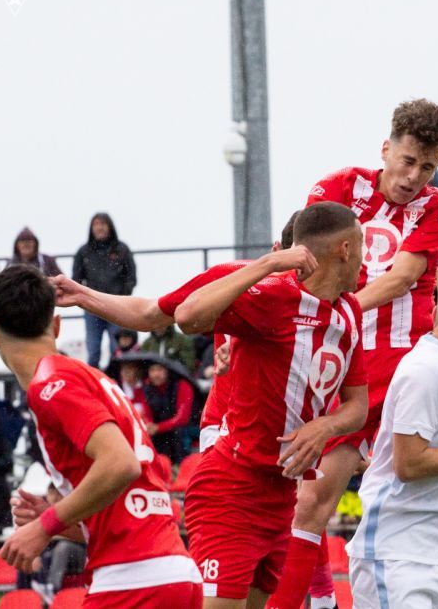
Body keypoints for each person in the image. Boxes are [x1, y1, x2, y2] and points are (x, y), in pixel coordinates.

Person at [53, 203, 365, 609]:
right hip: (232, 483)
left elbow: (356, 406)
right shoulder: (257, 288)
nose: (367, 258)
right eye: (362, 245)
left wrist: (323, 428)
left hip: (281, 491)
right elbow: (173, 315)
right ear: (343, 249)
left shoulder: (349, 311)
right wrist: (83, 295)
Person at [274, 99, 438, 607]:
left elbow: (403, 276)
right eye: (406, 161)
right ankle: (320, 600)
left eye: (427, 166)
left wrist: (343, 308)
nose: (413, 176)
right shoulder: (336, 188)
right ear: (386, 149)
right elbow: (291, 259)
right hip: (341, 371)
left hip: (406, 373)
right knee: (309, 502)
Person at [0, 266, 202, 607]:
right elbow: (125, 507)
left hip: (133, 579)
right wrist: (54, 520)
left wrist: (45, 525)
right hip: (169, 571)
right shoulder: (91, 378)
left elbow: (121, 465)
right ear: (56, 326)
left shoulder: (51, 386)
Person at [346, 261, 438, 608]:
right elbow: (409, 465)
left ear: (432, 309)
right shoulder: (427, 368)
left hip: (433, 552)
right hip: (394, 553)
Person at [72, 213, 136, 368]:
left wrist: (122, 297)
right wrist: (84, 300)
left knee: (118, 351)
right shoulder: (83, 252)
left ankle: (116, 386)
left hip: (117, 306)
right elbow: (76, 280)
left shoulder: (122, 250)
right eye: (96, 224)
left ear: (110, 226)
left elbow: (131, 277)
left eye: (103, 224)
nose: (99, 227)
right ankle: (94, 388)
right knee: (93, 352)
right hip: (92, 307)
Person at [141, 362, 194, 464]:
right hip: (159, 431)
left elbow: (182, 418)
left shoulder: (182, 385)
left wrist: (158, 427)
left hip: (182, 430)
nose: (156, 374)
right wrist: (149, 425)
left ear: (167, 371)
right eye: (152, 370)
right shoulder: (147, 388)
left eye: (160, 370)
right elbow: (146, 412)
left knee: (178, 433)